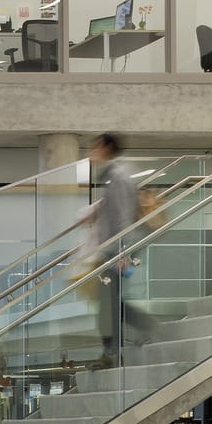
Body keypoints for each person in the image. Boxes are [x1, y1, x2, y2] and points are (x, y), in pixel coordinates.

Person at [84, 133, 152, 353]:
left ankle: (118, 347)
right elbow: (115, 211)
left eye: (94, 147)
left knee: (108, 302)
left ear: (105, 147)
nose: (91, 152)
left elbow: (124, 216)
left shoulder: (119, 176)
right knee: (107, 301)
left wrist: (124, 253)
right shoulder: (113, 176)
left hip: (118, 250)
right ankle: (112, 351)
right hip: (112, 250)